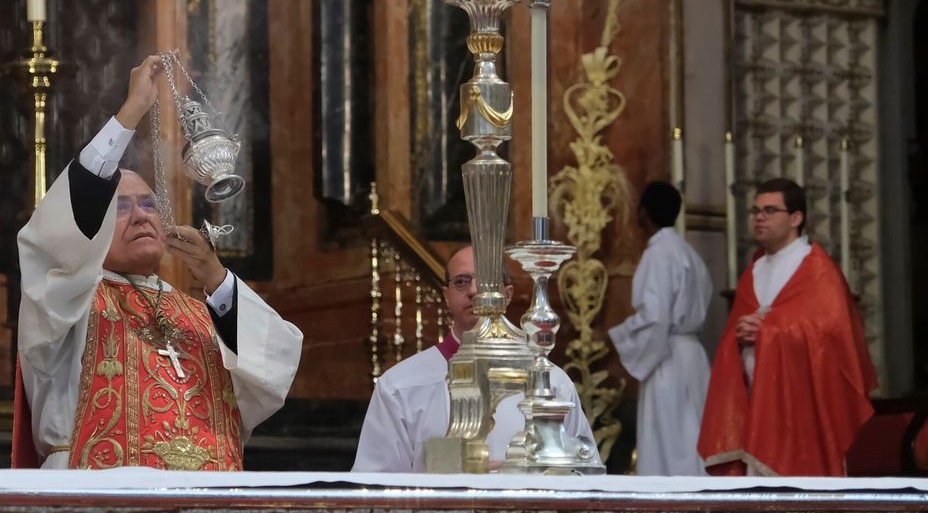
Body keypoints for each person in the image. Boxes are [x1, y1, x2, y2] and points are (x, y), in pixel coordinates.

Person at [13, 56, 303, 470]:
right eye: (121, 206)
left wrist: (217, 281)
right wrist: (131, 112)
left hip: (208, 502)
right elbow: (63, 224)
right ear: (91, 228)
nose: (142, 215)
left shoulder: (203, 313)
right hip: (97, 494)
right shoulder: (62, 301)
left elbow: (275, 367)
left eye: (149, 204)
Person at [353, 244, 595, 472]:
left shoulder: (551, 383)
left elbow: (583, 473)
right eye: (461, 282)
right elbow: (377, 484)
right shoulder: (400, 385)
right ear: (446, 296)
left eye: (487, 281)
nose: (473, 291)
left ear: (507, 294)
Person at [698, 178, 875, 476]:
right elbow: (734, 335)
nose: (759, 218)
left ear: (796, 218)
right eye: (756, 211)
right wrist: (740, 338)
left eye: (770, 210)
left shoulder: (819, 271)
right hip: (757, 402)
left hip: (805, 408)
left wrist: (769, 333)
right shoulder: (754, 270)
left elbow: (833, 340)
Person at [608, 183, 712, 476]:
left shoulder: (659, 254)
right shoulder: (688, 253)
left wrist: (619, 342)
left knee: (669, 441)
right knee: (692, 436)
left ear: (643, 212)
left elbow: (656, 316)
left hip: (667, 356)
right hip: (694, 356)